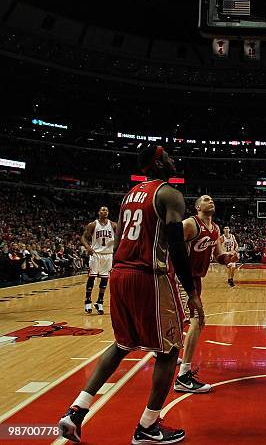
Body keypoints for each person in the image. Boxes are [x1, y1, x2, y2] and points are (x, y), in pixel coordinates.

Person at [59, 144, 202, 444]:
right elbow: (176, 246)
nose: (175, 160)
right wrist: (192, 292)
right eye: (170, 156)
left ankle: (76, 411)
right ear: (159, 161)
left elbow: (124, 235)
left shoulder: (128, 197)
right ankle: (148, 425)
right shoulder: (169, 194)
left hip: (120, 274)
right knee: (169, 349)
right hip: (148, 276)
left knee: (123, 343)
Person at [174, 195, 238, 393]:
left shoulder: (216, 229)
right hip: (182, 278)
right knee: (197, 321)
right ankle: (183, 376)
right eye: (206, 199)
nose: (211, 201)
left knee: (180, 319)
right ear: (197, 206)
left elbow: (218, 256)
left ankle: (162, 351)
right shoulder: (189, 224)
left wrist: (228, 258)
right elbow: (172, 249)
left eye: (212, 200)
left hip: (196, 279)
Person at [81, 206, 117, 314]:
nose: (105, 211)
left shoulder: (114, 225)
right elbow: (83, 237)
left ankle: (100, 302)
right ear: (98, 212)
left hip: (108, 254)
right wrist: (88, 247)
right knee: (92, 277)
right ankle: (87, 301)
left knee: (105, 279)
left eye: (106, 210)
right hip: (95, 253)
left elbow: (120, 237)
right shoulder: (93, 224)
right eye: (102, 210)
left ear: (108, 212)